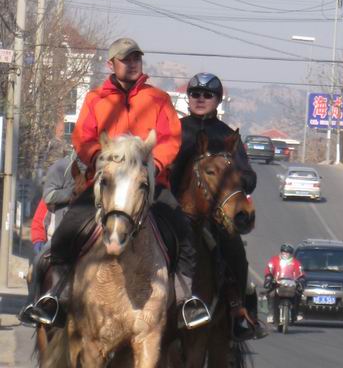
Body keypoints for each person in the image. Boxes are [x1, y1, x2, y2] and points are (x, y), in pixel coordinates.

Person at [20, 38, 207, 328]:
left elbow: (170, 138)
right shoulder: (96, 99)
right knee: (67, 230)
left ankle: (186, 301)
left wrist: (152, 167)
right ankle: (56, 296)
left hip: (149, 185)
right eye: (125, 59)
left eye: (136, 59)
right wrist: (100, 161)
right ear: (112, 64)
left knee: (183, 232)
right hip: (105, 185)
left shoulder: (158, 99)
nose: (132, 64)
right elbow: (83, 137)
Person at [170, 72, 267, 341]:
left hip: (212, 217)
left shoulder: (227, 136)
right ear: (188, 98)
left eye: (207, 94)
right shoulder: (174, 129)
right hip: (171, 210)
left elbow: (248, 174)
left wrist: (239, 179)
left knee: (236, 252)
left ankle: (241, 314)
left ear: (218, 100)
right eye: (195, 94)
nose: (200, 99)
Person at [18, 153, 79, 325]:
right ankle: (33, 304)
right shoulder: (61, 170)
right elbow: (38, 222)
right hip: (58, 236)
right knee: (37, 264)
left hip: (89, 234)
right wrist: (39, 242)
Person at [264, 243, 305, 323]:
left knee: (298, 294)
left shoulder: (296, 262)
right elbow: (269, 269)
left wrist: (301, 280)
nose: (285, 254)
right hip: (277, 283)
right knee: (271, 294)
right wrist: (269, 277)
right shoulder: (274, 260)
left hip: (291, 284)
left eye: (287, 253)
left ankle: (296, 313)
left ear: (291, 254)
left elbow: (301, 273)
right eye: (284, 252)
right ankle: (271, 314)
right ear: (281, 252)